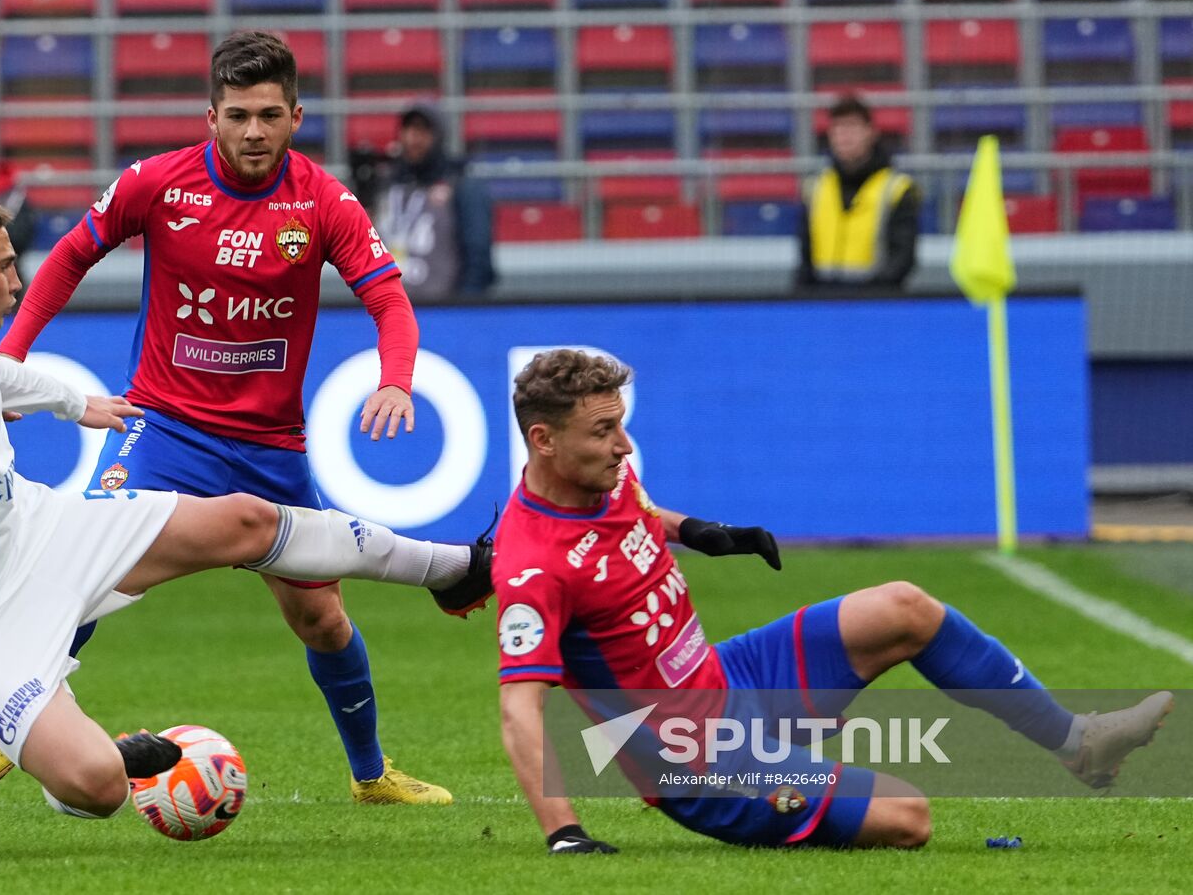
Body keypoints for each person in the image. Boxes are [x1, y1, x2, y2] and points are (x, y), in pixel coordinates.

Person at [0, 189, 491, 821]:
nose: (19, 282)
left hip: (36, 531)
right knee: (100, 789)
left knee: (244, 519)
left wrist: (71, 402)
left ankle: (454, 566)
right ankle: (81, 758)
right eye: (4, 267)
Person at [0, 30, 470, 804]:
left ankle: (371, 775)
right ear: (209, 115)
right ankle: (10, 722)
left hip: (269, 448)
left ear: (296, 116)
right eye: (238, 114)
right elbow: (70, 257)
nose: (254, 131)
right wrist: (8, 365)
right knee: (86, 568)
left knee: (322, 619)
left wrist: (398, 380)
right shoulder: (157, 184)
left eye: (270, 115)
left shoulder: (322, 201)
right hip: (164, 430)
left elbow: (388, 297)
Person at [492, 349, 1172, 853]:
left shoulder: (605, 474)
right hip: (695, 755)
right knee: (910, 818)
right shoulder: (531, 566)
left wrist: (699, 531)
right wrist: (565, 833)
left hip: (729, 678)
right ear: (544, 441)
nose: (625, 445)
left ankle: (1079, 744)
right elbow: (520, 708)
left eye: (620, 425)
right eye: (604, 432)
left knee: (904, 606)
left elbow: (635, 509)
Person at [361, 102, 496, 301]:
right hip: (389, 311)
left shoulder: (462, 186)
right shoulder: (385, 184)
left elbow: (478, 258)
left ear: (438, 136)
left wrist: (466, 309)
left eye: (423, 130)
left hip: (443, 313)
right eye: (408, 129)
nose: (413, 137)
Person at [796, 94, 919, 291]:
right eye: (838, 128)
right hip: (822, 305)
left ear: (871, 132)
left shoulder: (896, 189)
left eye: (852, 127)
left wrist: (868, 296)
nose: (845, 136)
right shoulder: (816, 188)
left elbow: (902, 259)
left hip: (877, 306)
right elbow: (805, 258)